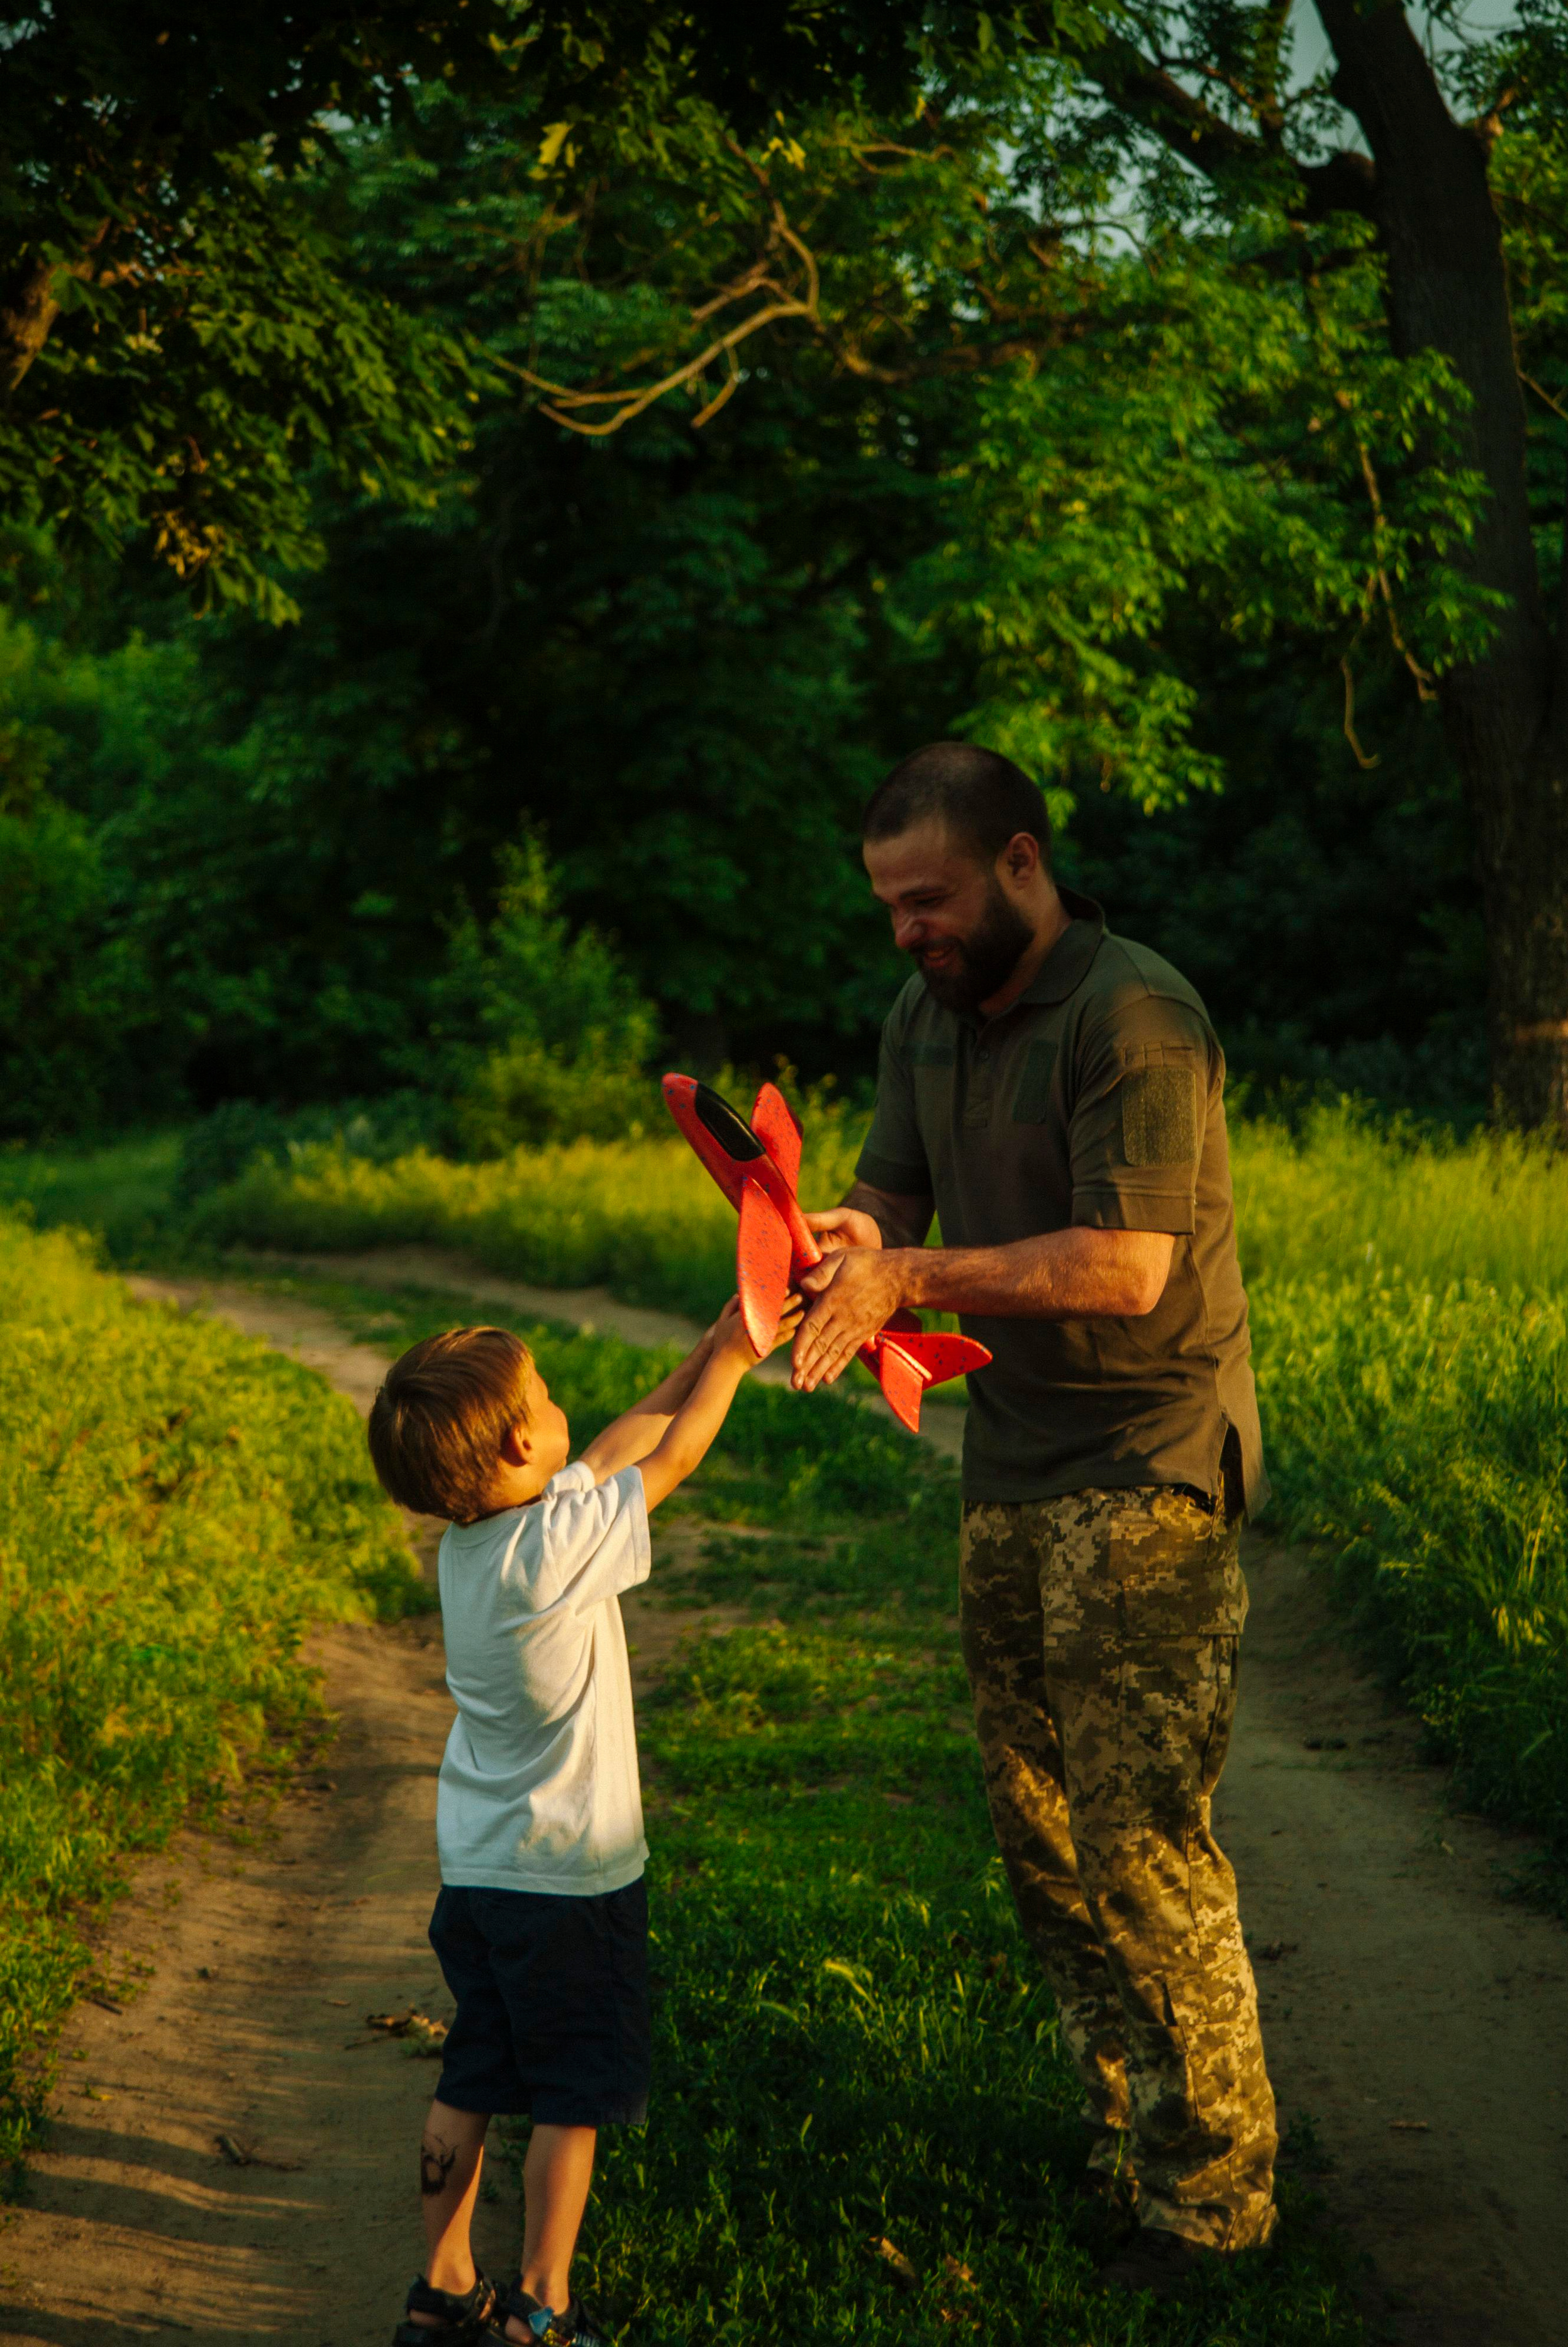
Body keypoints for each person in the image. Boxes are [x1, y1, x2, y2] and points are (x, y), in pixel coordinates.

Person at [789, 742, 1277, 2296]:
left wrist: (908, 1283)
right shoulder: (919, 1018)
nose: (905, 933)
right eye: (885, 907)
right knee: (1037, 1834)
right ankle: (1115, 2139)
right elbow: (890, 1205)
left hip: (1147, 1455)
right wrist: (833, 1243)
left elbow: (1126, 1268)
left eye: (925, 900)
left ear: (1017, 864)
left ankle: (1216, 2209)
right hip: (1008, 1463)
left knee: (1141, 1839)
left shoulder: (1134, 1013)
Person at [367, 1297, 796, 2347]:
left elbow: (605, 1455)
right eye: (547, 1399)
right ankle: (544, 2304)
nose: (567, 1412)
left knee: (475, 2068)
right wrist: (734, 1369)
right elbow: (668, 1461)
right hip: (571, 1882)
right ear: (521, 1441)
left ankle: (443, 2285)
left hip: (481, 1876)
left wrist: (705, 1348)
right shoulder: (558, 1546)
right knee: (571, 2096)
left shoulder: (473, 1551)